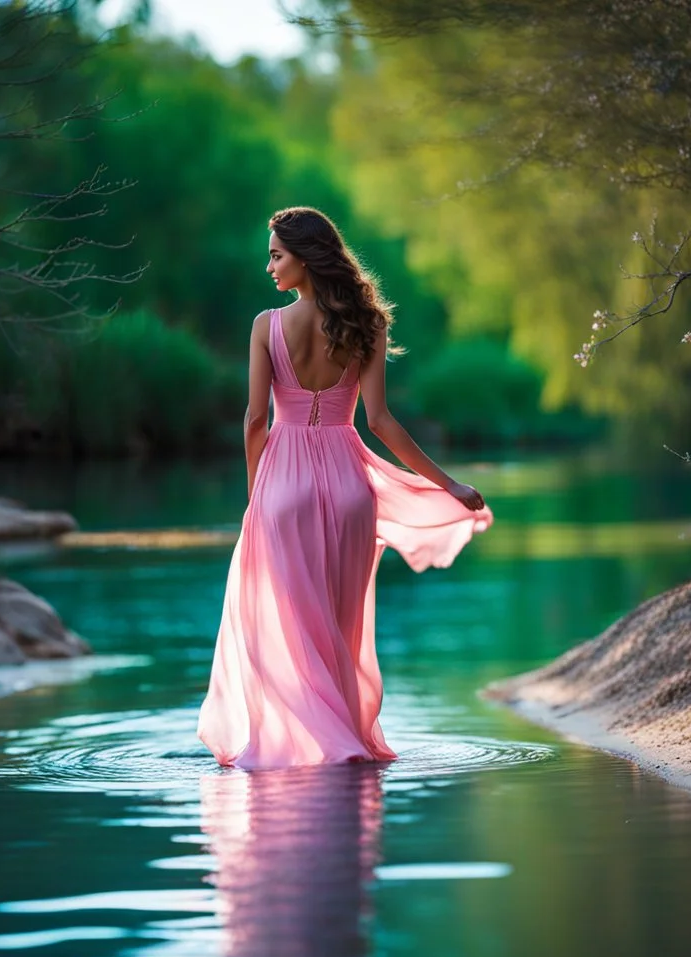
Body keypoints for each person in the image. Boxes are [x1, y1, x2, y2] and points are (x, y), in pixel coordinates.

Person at [198, 206, 492, 769]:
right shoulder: (369, 324)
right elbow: (380, 422)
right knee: (340, 626)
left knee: (286, 628)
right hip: (350, 488)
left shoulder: (266, 326)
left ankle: (306, 748)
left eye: (277, 255)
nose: (270, 267)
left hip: (282, 489)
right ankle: (344, 746)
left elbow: (254, 420)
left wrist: (256, 493)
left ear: (305, 259)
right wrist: (448, 483)